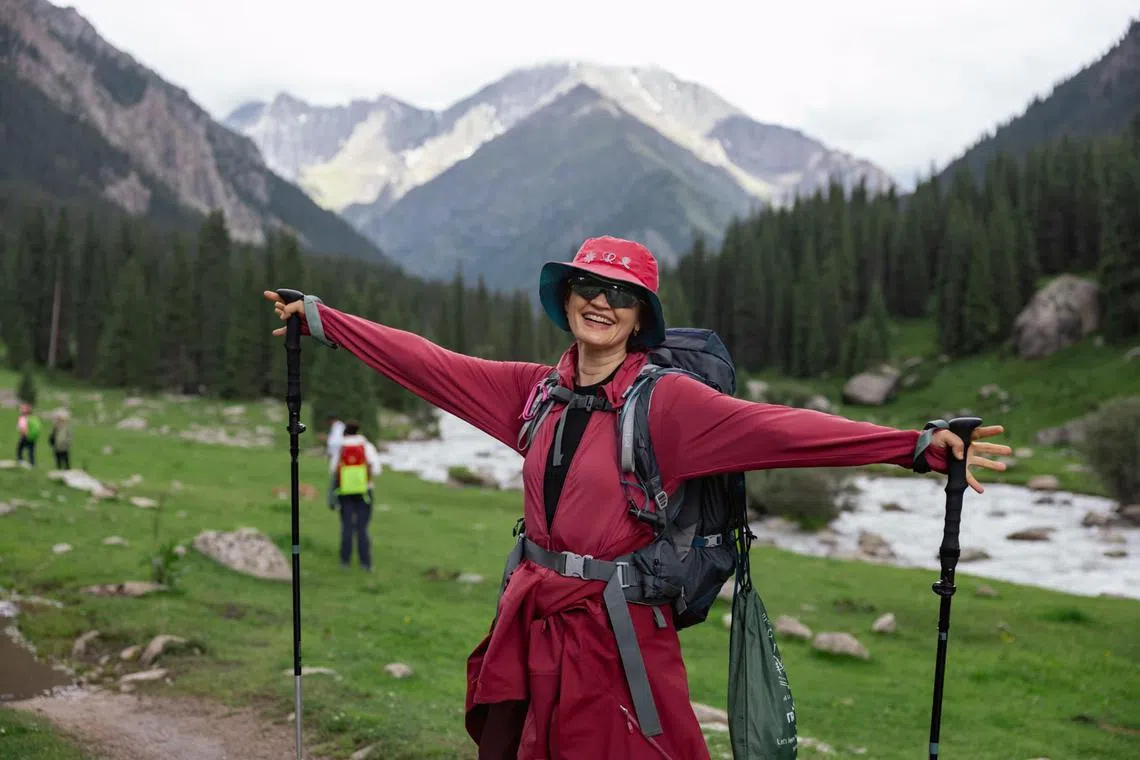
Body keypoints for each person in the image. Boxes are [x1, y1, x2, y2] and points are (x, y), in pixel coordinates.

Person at [264, 235, 1010, 759]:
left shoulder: (669, 404)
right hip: (533, 621)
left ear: (640, 315)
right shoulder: (534, 393)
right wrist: (326, 321)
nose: (602, 301)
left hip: (618, 635)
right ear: (566, 297)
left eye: (621, 294)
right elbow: (431, 364)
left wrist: (913, 445)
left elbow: (781, 431)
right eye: (589, 286)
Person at [329, 419, 383, 571]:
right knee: (362, 527)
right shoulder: (366, 446)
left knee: (347, 526)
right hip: (364, 491)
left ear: (345, 432)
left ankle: (344, 561)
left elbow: (333, 470)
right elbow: (377, 470)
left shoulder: (341, 448)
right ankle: (365, 563)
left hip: (344, 492)